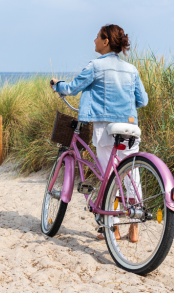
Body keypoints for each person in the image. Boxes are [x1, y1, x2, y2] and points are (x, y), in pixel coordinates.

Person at [50, 24, 148, 242]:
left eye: (97, 37)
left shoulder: (95, 66)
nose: (94, 40)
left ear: (106, 42)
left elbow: (73, 88)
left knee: (109, 175)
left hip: (106, 128)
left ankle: (111, 227)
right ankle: (134, 227)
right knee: (131, 174)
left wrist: (57, 85)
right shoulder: (132, 70)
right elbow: (143, 100)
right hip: (130, 128)